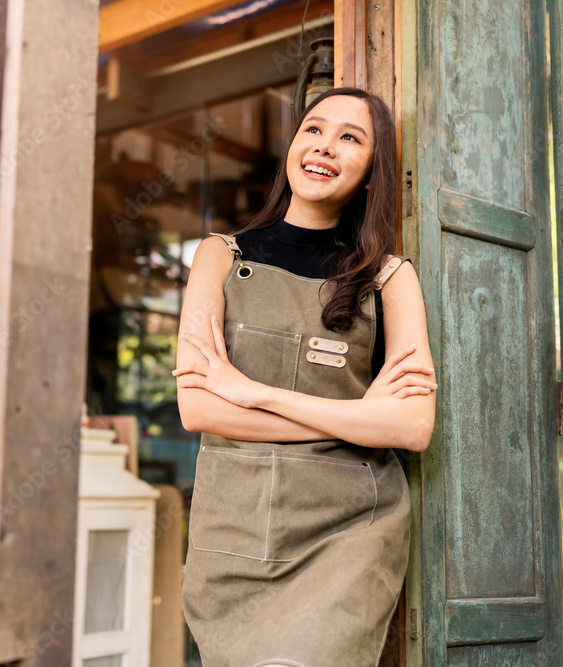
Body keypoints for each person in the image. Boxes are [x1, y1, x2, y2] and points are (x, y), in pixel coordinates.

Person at [172, 87, 436, 667]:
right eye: (314, 130)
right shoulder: (219, 254)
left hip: (346, 535)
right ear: (293, 146)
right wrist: (361, 421)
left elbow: (412, 427)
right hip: (235, 534)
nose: (325, 147)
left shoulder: (390, 278)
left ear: (372, 172)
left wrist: (253, 394)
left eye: (350, 138)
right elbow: (198, 408)